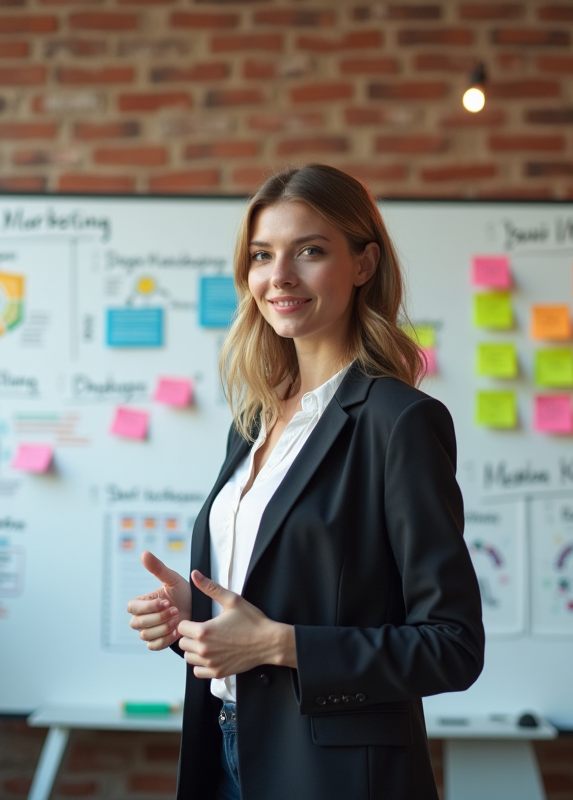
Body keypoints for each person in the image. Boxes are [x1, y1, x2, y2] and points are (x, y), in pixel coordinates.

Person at [126, 164, 484, 800]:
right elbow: (278, 600)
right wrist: (196, 617)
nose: (279, 276)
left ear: (364, 263)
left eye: (310, 251)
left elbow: (451, 647)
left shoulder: (398, 422)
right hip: (228, 754)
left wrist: (277, 645)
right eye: (262, 255)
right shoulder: (253, 423)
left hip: (335, 778)